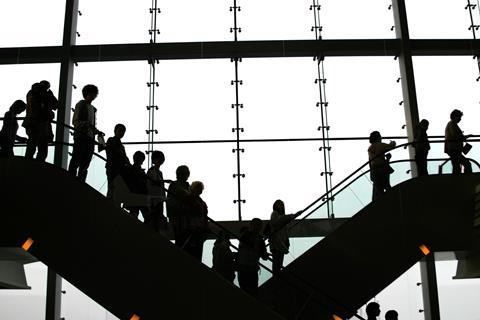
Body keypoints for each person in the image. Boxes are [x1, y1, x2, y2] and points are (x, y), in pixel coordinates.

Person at [68, 84, 103, 181]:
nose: (93, 96)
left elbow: (80, 122)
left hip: (88, 138)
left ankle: (76, 180)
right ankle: (74, 180)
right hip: (82, 137)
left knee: (84, 161)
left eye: (94, 94)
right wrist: (86, 125)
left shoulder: (92, 108)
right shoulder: (81, 104)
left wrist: (96, 131)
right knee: (78, 159)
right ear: (86, 94)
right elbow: (75, 121)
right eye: (91, 93)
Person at [23, 80, 58, 161]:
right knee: (41, 149)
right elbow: (55, 105)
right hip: (39, 125)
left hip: (33, 124)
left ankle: (28, 166)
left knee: (32, 147)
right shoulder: (43, 95)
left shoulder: (32, 94)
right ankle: (37, 167)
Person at [237, 218, 268, 297]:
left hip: (243, 267)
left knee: (244, 290)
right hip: (252, 268)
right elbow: (264, 256)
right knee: (253, 291)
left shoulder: (244, 235)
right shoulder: (260, 239)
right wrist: (265, 255)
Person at [269, 199, 297, 275]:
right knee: (277, 263)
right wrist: (292, 216)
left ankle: (276, 276)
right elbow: (276, 222)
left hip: (281, 242)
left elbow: (284, 230)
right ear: (275, 206)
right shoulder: (275, 214)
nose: (281, 206)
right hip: (277, 242)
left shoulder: (281, 216)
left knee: (278, 263)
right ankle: (276, 277)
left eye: (282, 204)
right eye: (279, 204)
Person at [183, 181, 209, 261]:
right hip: (194, 226)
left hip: (197, 226)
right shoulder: (194, 200)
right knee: (194, 249)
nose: (200, 190)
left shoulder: (195, 200)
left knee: (196, 248)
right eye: (199, 188)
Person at [167, 165, 191, 248]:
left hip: (184, 217)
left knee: (183, 240)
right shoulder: (175, 186)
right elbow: (171, 202)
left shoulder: (185, 186)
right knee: (181, 240)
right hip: (179, 217)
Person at [368, 131, 396, 201]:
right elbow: (391, 146)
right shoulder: (379, 145)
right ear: (378, 137)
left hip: (374, 170)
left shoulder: (370, 148)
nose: (381, 137)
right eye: (380, 136)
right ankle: (390, 200)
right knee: (387, 186)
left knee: (378, 189)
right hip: (382, 169)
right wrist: (393, 142)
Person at [147, 150, 170, 232]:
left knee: (158, 216)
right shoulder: (151, 171)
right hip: (154, 198)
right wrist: (164, 181)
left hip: (159, 198)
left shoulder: (159, 172)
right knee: (155, 216)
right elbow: (153, 182)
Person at [105, 124, 130, 198]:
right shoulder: (112, 141)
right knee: (113, 188)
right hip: (113, 168)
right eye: (120, 131)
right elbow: (122, 156)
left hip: (115, 168)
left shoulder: (115, 142)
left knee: (113, 188)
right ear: (115, 131)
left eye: (123, 132)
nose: (121, 133)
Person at [124, 151, 149, 221]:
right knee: (146, 215)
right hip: (139, 195)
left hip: (134, 195)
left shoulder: (129, 169)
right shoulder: (138, 171)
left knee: (134, 214)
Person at [445, 109, 472, 174]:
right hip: (454, 149)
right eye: (459, 117)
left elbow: (455, 135)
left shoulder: (451, 124)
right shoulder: (452, 124)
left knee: (457, 167)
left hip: (454, 149)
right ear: (455, 116)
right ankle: (466, 178)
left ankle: (458, 180)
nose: (460, 119)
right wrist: (463, 137)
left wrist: (464, 137)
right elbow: (455, 135)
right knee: (465, 164)